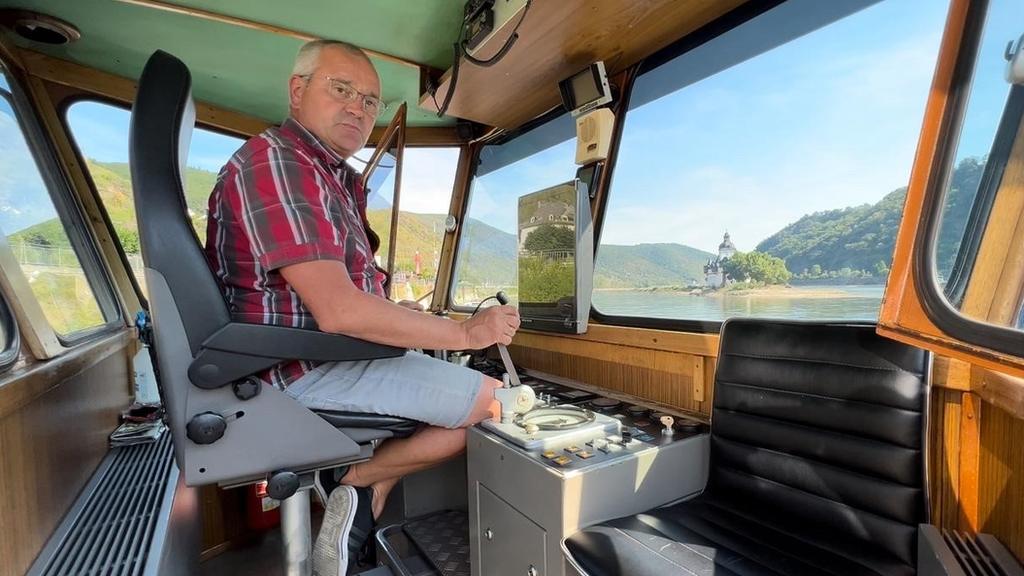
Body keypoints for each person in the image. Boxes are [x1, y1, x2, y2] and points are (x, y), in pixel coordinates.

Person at [205, 39, 520, 575]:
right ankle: (356, 481)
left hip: (311, 355)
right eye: (342, 89)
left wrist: (399, 316)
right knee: (499, 408)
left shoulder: (324, 174)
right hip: (298, 368)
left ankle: (357, 518)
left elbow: (341, 298)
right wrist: (467, 334)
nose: (358, 107)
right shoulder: (280, 164)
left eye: (370, 100)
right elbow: (340, 312)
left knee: (444, 404)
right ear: (297, 90)